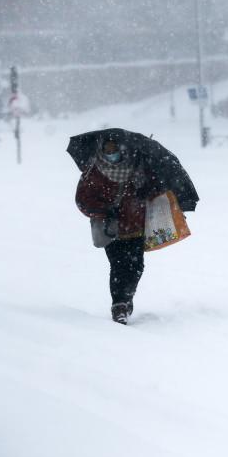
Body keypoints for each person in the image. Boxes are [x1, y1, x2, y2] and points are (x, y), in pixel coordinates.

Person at [75, 135, 153, 324]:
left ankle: (126, 299)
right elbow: (82, 199)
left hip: (136, 225)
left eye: (114, 149)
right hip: (110, 227)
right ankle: (119, 305)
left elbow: (153, 188)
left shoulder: (137, 166)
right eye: (107, 150)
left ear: (122, 149)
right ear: (101, 150)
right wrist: (103, 211)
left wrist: (146, 188)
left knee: (136, 267)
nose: (111, 153)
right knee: (119, 266)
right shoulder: (93, 171)